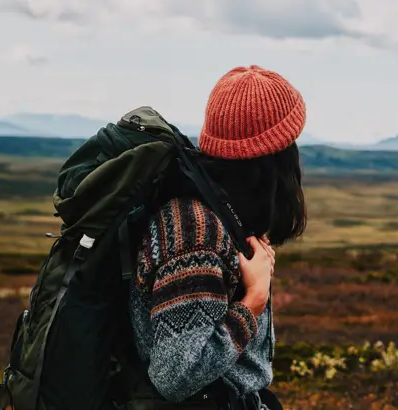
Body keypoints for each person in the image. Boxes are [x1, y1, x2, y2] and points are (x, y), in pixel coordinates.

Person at [127, 65, 307, 409]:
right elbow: (175, 375)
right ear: (273, 156)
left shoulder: (219, 214)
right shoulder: (195, 232)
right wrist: (253, 299)